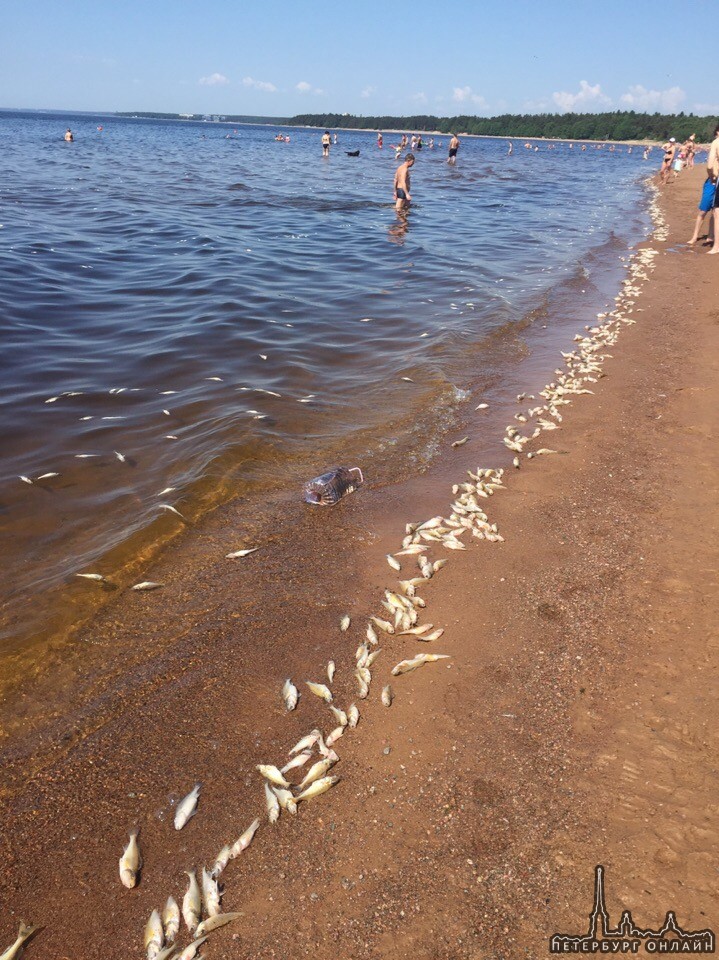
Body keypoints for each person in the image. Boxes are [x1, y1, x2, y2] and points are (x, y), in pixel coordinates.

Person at [707, 125, 719, 254]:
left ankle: (716, 246)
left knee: (717, 212)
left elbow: (710, 165)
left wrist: (712, 177)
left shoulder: (716, 142)